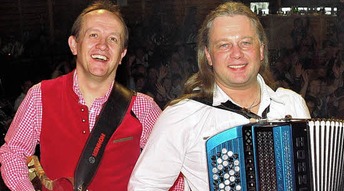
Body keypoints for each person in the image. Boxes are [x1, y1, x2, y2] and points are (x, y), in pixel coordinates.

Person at [128, 2, 310, 190]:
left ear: (261, 50)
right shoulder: (183, 116)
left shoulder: (292, 104)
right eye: (224, 45)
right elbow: (144, 185)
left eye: (245, 43)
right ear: (208, 55)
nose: (237, 53)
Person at [0, 1, 163, 190]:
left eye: (113, 39)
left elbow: (170, 164)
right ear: (74, 45)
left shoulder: (143, 107)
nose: (102, 45)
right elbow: (13, 153)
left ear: (122, 55)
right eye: (93, 35)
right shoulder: (40, 96)